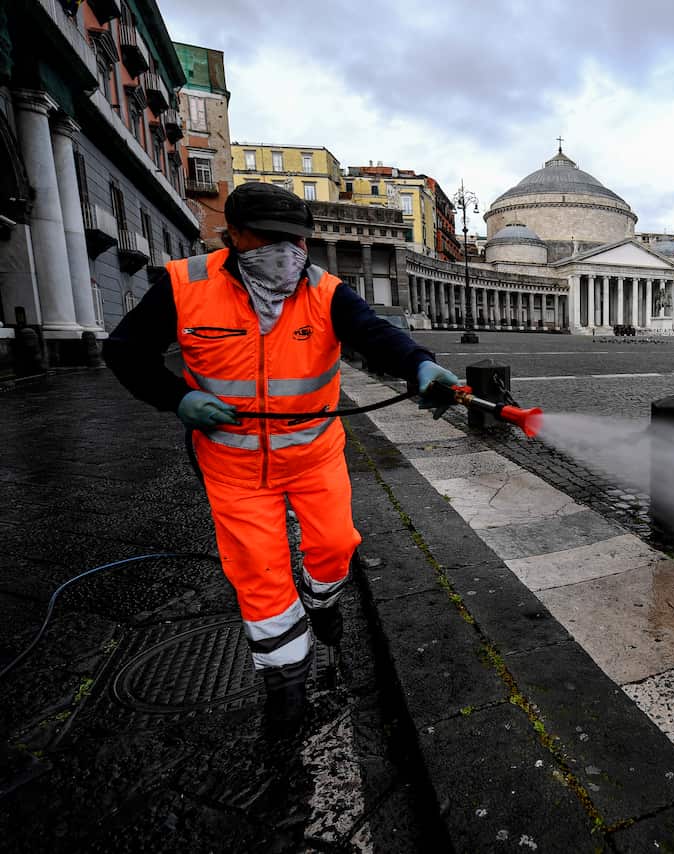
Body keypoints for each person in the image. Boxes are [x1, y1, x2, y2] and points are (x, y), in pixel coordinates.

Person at [103, 183, 458, 734]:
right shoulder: (184, 284)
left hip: (314, 455)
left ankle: (322, 601)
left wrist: (420, 366)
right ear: (236, 235)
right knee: (260, 574)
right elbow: (125, 351)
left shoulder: (326, 290)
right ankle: (286, 686)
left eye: (296, 239)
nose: (286, 251)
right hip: (232, 465)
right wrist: (177, 398)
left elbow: (376, 334)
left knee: (336, 544)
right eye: (270, 238)